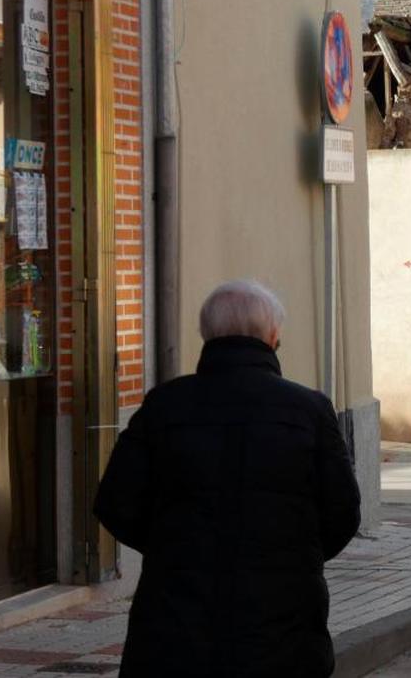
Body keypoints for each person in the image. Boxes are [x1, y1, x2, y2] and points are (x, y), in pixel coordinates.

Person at [94, 280, 361, 678]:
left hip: (174, 624)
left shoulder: (165, 405)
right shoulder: (309, 410)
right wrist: (294, 556)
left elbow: (115, 502)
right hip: (283, 622)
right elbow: (343, 512)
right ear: (273, 336)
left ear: (207, 335)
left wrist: (170, 548)